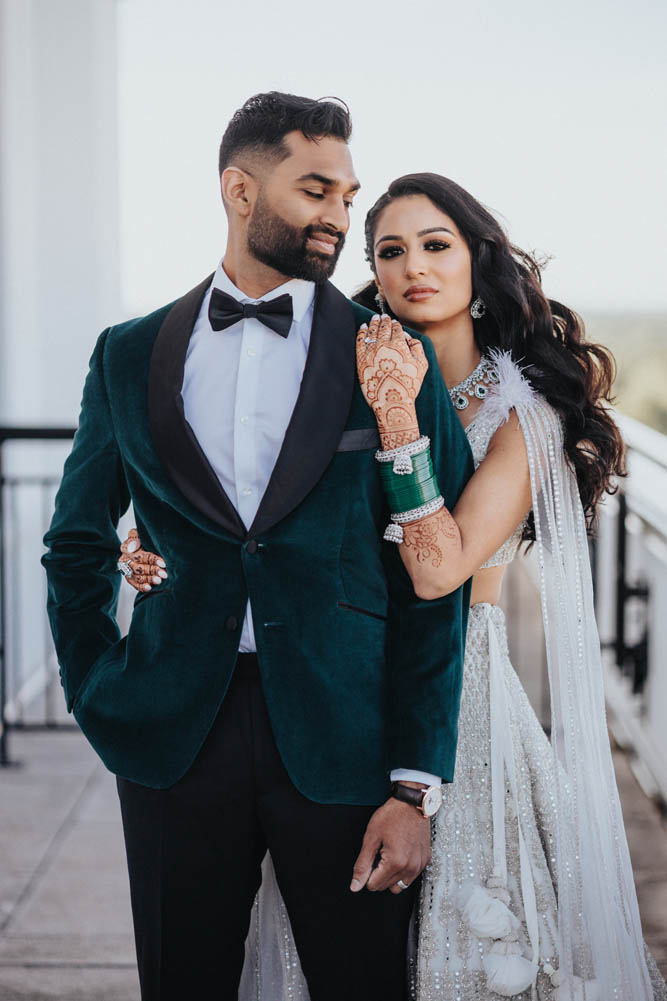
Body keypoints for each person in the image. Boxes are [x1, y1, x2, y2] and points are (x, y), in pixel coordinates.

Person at [122, 171, 667, 1000]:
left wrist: (400, 421)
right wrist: (155, 541)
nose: (413, 265)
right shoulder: (335, 381)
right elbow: (261, 516)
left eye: (436, 244)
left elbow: (438, 566)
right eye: (389, 250)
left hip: (461, 700)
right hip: (335, 690)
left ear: (478, 263)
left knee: (470, 950)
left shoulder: (524, 419)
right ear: (370, 273)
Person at [41, 97, 474, 1001]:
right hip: (171, 737)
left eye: (347, 196)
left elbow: (434, 585)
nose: (338, 217)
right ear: (239, 191)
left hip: (345, 737)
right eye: (314, 190)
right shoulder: (127, 354)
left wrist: (415, 780)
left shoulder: (389, 357)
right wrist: (98, 688)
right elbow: (77, 539)